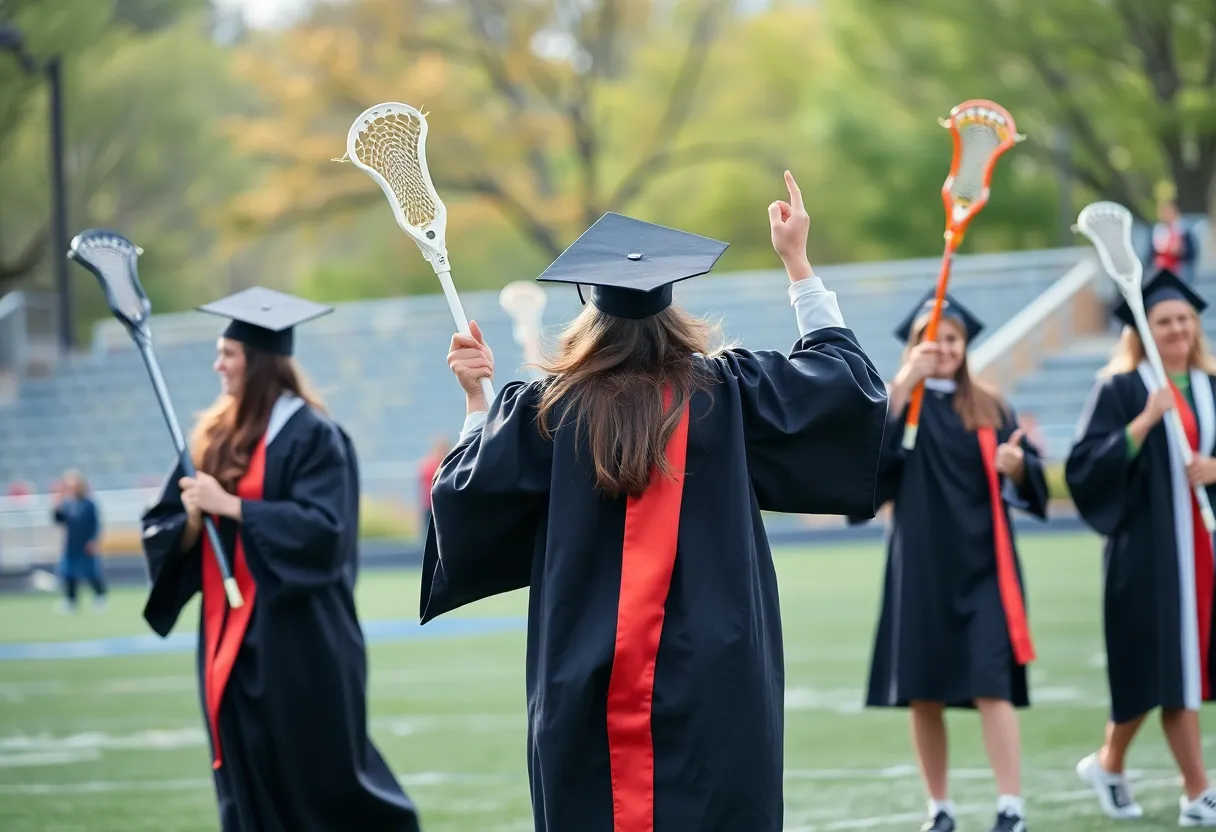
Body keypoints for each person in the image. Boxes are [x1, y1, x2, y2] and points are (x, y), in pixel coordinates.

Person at [420, 172, 890, 831]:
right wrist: (798, 266)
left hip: (587, 677)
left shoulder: (545, 414)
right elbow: (848, 388)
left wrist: (476, 403)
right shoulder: (730, 394)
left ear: (590, 306)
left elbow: (464, 498)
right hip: (719, 674)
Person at [139, 287, 421, 832]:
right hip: (230, 639)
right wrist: (196, 517)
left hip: (301, 638)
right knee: (245, 764)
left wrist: (234, 506)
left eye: (228, 353)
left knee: (318, 771)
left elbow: (326, 534)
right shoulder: (213, 437)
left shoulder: (315, 436)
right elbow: (164, 524)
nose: (217, 363)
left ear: (259, 362)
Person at [856, 290, 1049, 832]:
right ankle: (938, 807)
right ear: (913, 345)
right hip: (919, 565)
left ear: (965, 347)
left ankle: (1011, 805)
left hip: (985, 564)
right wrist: (901, 388)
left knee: (993, 685)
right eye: (931, 338)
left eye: (952, 338)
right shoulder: (897, 404)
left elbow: (1027, 476)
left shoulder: (990, 405)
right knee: (925, 692)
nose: (942, 347)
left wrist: (1016, 467)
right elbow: (868, 466)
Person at [1066, 268, 1216, 826]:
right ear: (1143, 330)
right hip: (1148, 555)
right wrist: (1145, 421)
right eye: (1164, 321)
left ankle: (1108, 762)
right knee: (1166, 672)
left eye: (1183, 319)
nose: (1177, 329)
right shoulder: (1122, 388)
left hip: (1205, 550)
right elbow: (1084, 467)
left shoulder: (1211, 384)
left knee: (1184, 671)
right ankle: (1198, 790)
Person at [52, 469, 105, 612]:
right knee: (69, 573)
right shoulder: (67, 503)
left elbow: (95, 523)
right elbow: (59, 520)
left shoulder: (89, 503)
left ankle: (100, 597)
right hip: (71, 544)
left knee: (91, 572)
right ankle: (71, 601)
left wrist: (93, 541)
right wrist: (56, 505)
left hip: (86, 543)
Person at [1151, 199, 1197, 282]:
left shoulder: (1184, 231)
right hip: (1161, 271)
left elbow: (1191, 255)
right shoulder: (1157, 231)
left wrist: (1180, 250)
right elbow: (1151, 255)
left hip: (1180, 273)